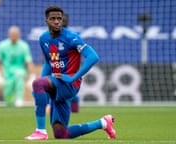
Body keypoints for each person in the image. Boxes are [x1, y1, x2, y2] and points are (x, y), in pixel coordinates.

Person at [25, 6, 116, 140]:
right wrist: (41, 83)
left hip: (69, 84)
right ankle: (103, 123)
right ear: (46, 21)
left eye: (59, 19)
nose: (57, 21)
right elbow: (48, 63)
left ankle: (40, 131)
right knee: (61, 134)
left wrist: (74, 76)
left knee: (38, 83)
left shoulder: (71, 37)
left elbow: (93, 56)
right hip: (57, 85)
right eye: (53, 19)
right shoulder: (43, 38)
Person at [0, 26, 36, 107]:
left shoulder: (24, 46)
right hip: (7, 74)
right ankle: (10, 103)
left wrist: (32, 76)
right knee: (9, 99)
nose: (14, 36)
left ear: (19, 35)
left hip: (20, 71)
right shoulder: (2, 45)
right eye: (12, 34)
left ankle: (19, 99)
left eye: (16, 34)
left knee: (19, 75)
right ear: (9, 34)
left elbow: (29, 62)